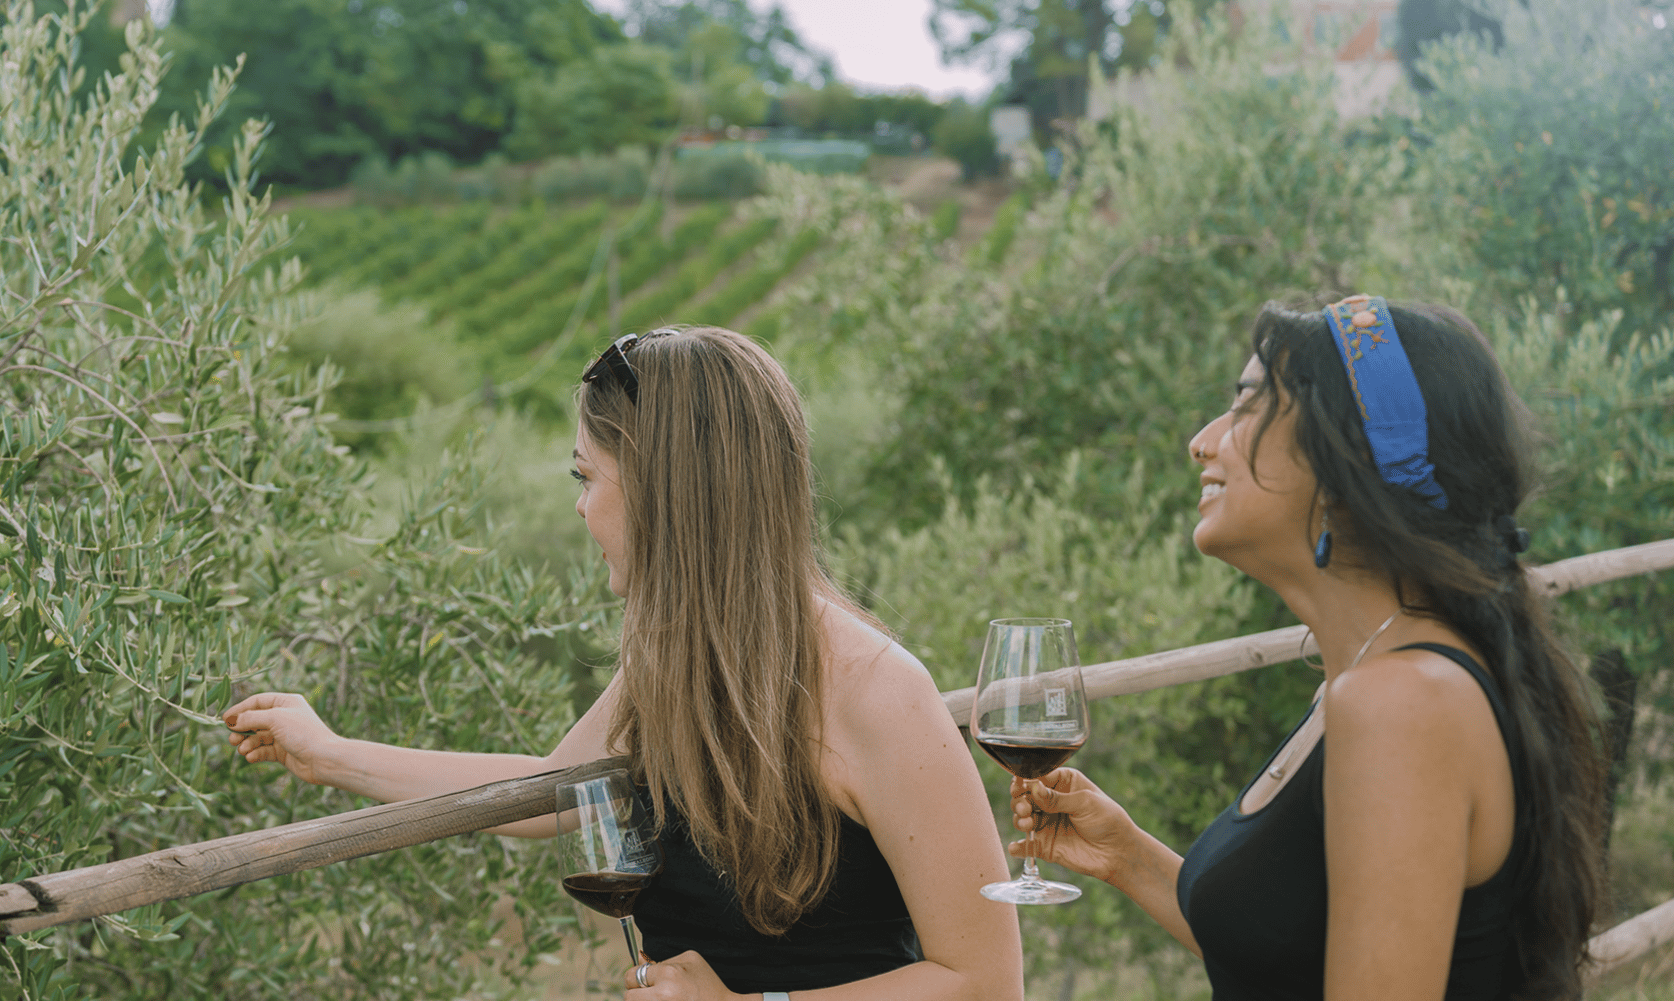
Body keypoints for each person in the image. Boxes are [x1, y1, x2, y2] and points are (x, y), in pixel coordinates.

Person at [223, 326, 1024, 1001]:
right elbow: (548, 796)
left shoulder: (881, 692)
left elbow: (987, 980)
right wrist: (327, 753)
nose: (578, 506)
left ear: (665, 491)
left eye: (587, 476)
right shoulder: (676, 663)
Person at [1005, 297, 1608, 1001]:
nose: (1201, 442)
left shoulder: (1402, 702)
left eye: (1246, 407)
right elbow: (1293, 956)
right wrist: (1128, 857)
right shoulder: (1368, 678)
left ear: (1347, 457)